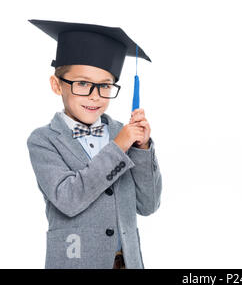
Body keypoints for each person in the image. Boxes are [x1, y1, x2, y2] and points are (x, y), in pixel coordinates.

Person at [26, 19, 162, 269]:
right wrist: (118, 148)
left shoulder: (121, 133)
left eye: (105, 86)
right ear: (57, 85)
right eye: (82, 84)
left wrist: (142, 150)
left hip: (128, 263)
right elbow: (68, 199)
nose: (95, 96)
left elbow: (148, 205)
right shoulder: (44, 140)